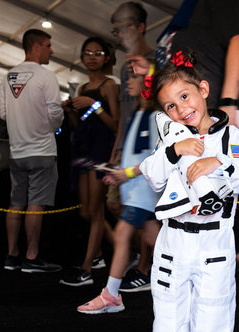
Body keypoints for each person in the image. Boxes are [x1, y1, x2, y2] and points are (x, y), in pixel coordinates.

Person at [130, 0, 239, 332]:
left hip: (218, 117)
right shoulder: (185, 12)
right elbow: (185, 65)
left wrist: (228, 104)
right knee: (203, 210)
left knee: (214, 211)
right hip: (193, 124)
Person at [137, 52, 239, 332]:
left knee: (214, 305)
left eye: (185, 97)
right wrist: (175, 150)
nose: (180, 109)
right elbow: (153, 175)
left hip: (214, 240)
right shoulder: (171, 137)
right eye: (170, 106)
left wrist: (218, 161)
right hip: (173, 238)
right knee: (168, 306)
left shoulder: (232, 135)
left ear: (203, 90)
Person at [74, 70, 161, 312]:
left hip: (143, 192)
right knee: (160, 241)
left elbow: (155, 158)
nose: (128, 83)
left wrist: (127, 174)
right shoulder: (137, 114)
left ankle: (111, 295)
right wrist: (118, 173)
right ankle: (187, 280)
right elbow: (137, 154)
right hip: (135, 191)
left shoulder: (155, 116)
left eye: (135, 79)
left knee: (122, 234)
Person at [0, 29, 64, 273]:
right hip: (42, 149)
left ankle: (12, 256)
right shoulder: (46, 77)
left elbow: (3, 114)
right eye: (48, 45)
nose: (51, 50)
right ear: (36, 47)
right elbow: (55, 113)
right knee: (35, 204)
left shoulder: (8, 76)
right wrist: (51, 127)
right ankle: (31, 257)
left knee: (15, 203)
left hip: (17, 150)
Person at [60, 37, 119, 286]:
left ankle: (87, 268)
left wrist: (95, 105)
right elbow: (79, 126)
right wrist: (71, 112)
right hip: (83, 151)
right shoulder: (82, 88)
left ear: (107, 57)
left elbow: (116, 125)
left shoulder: (109, 86)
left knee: (96, 210)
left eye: (97, 53)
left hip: (101, 152)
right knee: (86, 211)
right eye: (87, 53)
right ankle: (116, 251)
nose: (92, 57)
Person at [107, 2, 156, 290]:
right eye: (117, 28)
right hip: (128, 148)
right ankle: (146, 262)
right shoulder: (129, 67)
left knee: (136, 217)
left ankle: (145, 267)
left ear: (140, 27)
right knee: (120, 208)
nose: (121, 33)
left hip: (147, 154)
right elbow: (127, 115)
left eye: (126, 26)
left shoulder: (154, 62)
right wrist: (115, 154)